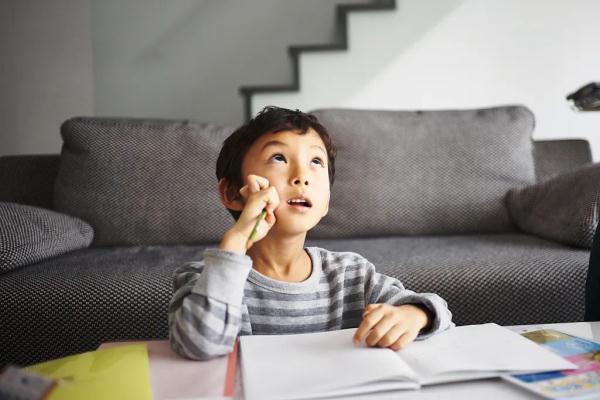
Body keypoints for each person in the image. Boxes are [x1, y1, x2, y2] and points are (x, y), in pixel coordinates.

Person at [168, 106, 454, 360]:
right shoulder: (205, 279)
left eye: (315, 162)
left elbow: (438, 311)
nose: (301, 176)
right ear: (232, 192)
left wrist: (414, 314)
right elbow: (199, 345)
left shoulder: (351, 274)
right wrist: (235, 241)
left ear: (326, 200)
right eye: (279, 158)